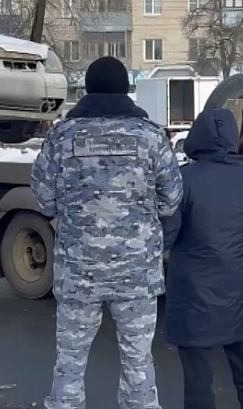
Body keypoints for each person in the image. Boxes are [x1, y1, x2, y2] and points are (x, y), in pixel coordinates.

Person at [30, 56, 184, 409]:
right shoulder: (150, 136)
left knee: (69, 361)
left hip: (78, 272)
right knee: (138, 360)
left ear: (88, 89)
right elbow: (172, 199)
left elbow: (43, 197)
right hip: (137, 274)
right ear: (124, 89)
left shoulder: (61, 136)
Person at [163, 108, 243, 409]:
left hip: (194, 296)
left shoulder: (183, 180)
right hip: (239, 294)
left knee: (198, 382)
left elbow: (168, 234)